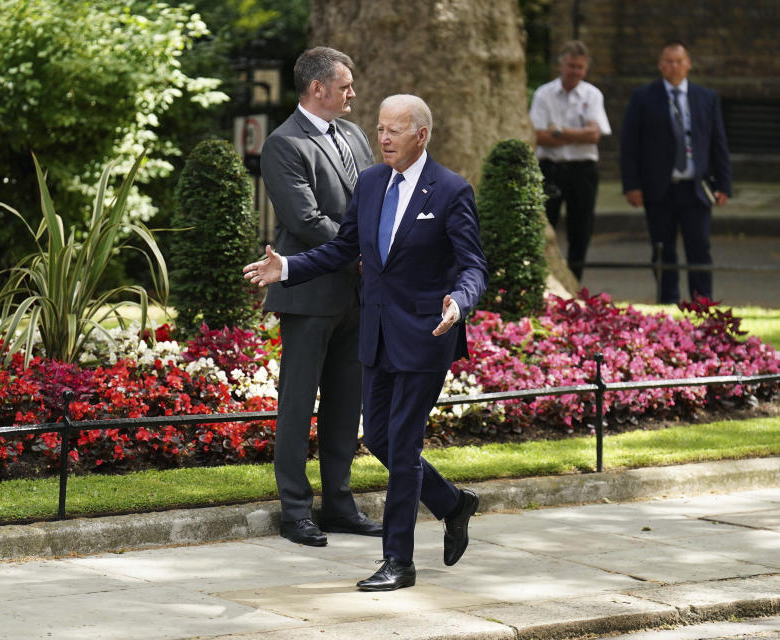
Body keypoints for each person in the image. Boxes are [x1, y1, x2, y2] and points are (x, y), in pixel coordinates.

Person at [244, 94, 488, 592]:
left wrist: (460, 303)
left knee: (402, 446)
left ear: (421, 134)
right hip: (376, 334)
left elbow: (472, 265)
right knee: (377, 436)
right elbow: (342, 247)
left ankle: (399, 561)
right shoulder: (372, 182)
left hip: (427, 334)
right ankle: (453, 503)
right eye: (379, 129)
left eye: (394, 130)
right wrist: (286, 268)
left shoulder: (451, 191)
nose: (383, 138)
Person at [259, 46, 381, 547]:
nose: (352, 93)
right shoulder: (284, 143)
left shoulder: (352, 135)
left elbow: (374, 195)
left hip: (358, 294)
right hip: (309, 295)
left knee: (344, 403)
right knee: (296, 404)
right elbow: (305, 221)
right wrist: (359, 252)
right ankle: (294, 511)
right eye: (345, 85)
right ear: (318, 89)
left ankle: (338, 504)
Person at [620, 40, 732, 303]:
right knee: (662, 249)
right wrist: (632, 185)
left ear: (688, 64)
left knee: (700, 248)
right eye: (668, 61)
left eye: (679, 61)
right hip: (659, 188)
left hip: (696, 188)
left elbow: (718, 143)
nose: (674, 66)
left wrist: (724, 184)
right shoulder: (643, 97)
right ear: (661, 66)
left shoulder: (706, 98)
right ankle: (667, 300)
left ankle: (702, 303)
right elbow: (630, 145)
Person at [529, 40, 611, 281]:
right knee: (545, 226)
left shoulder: (592, 94)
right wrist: (578, 134)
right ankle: (544, 279)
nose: (575, 71)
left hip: (582, 170)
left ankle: (575, 281)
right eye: (571, 65)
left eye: (580, 67)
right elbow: (538, 137)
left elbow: (594, 136)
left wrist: (557, 131)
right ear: (560, 65)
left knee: (581, 229)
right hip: (550, 169)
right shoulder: (544, 93)